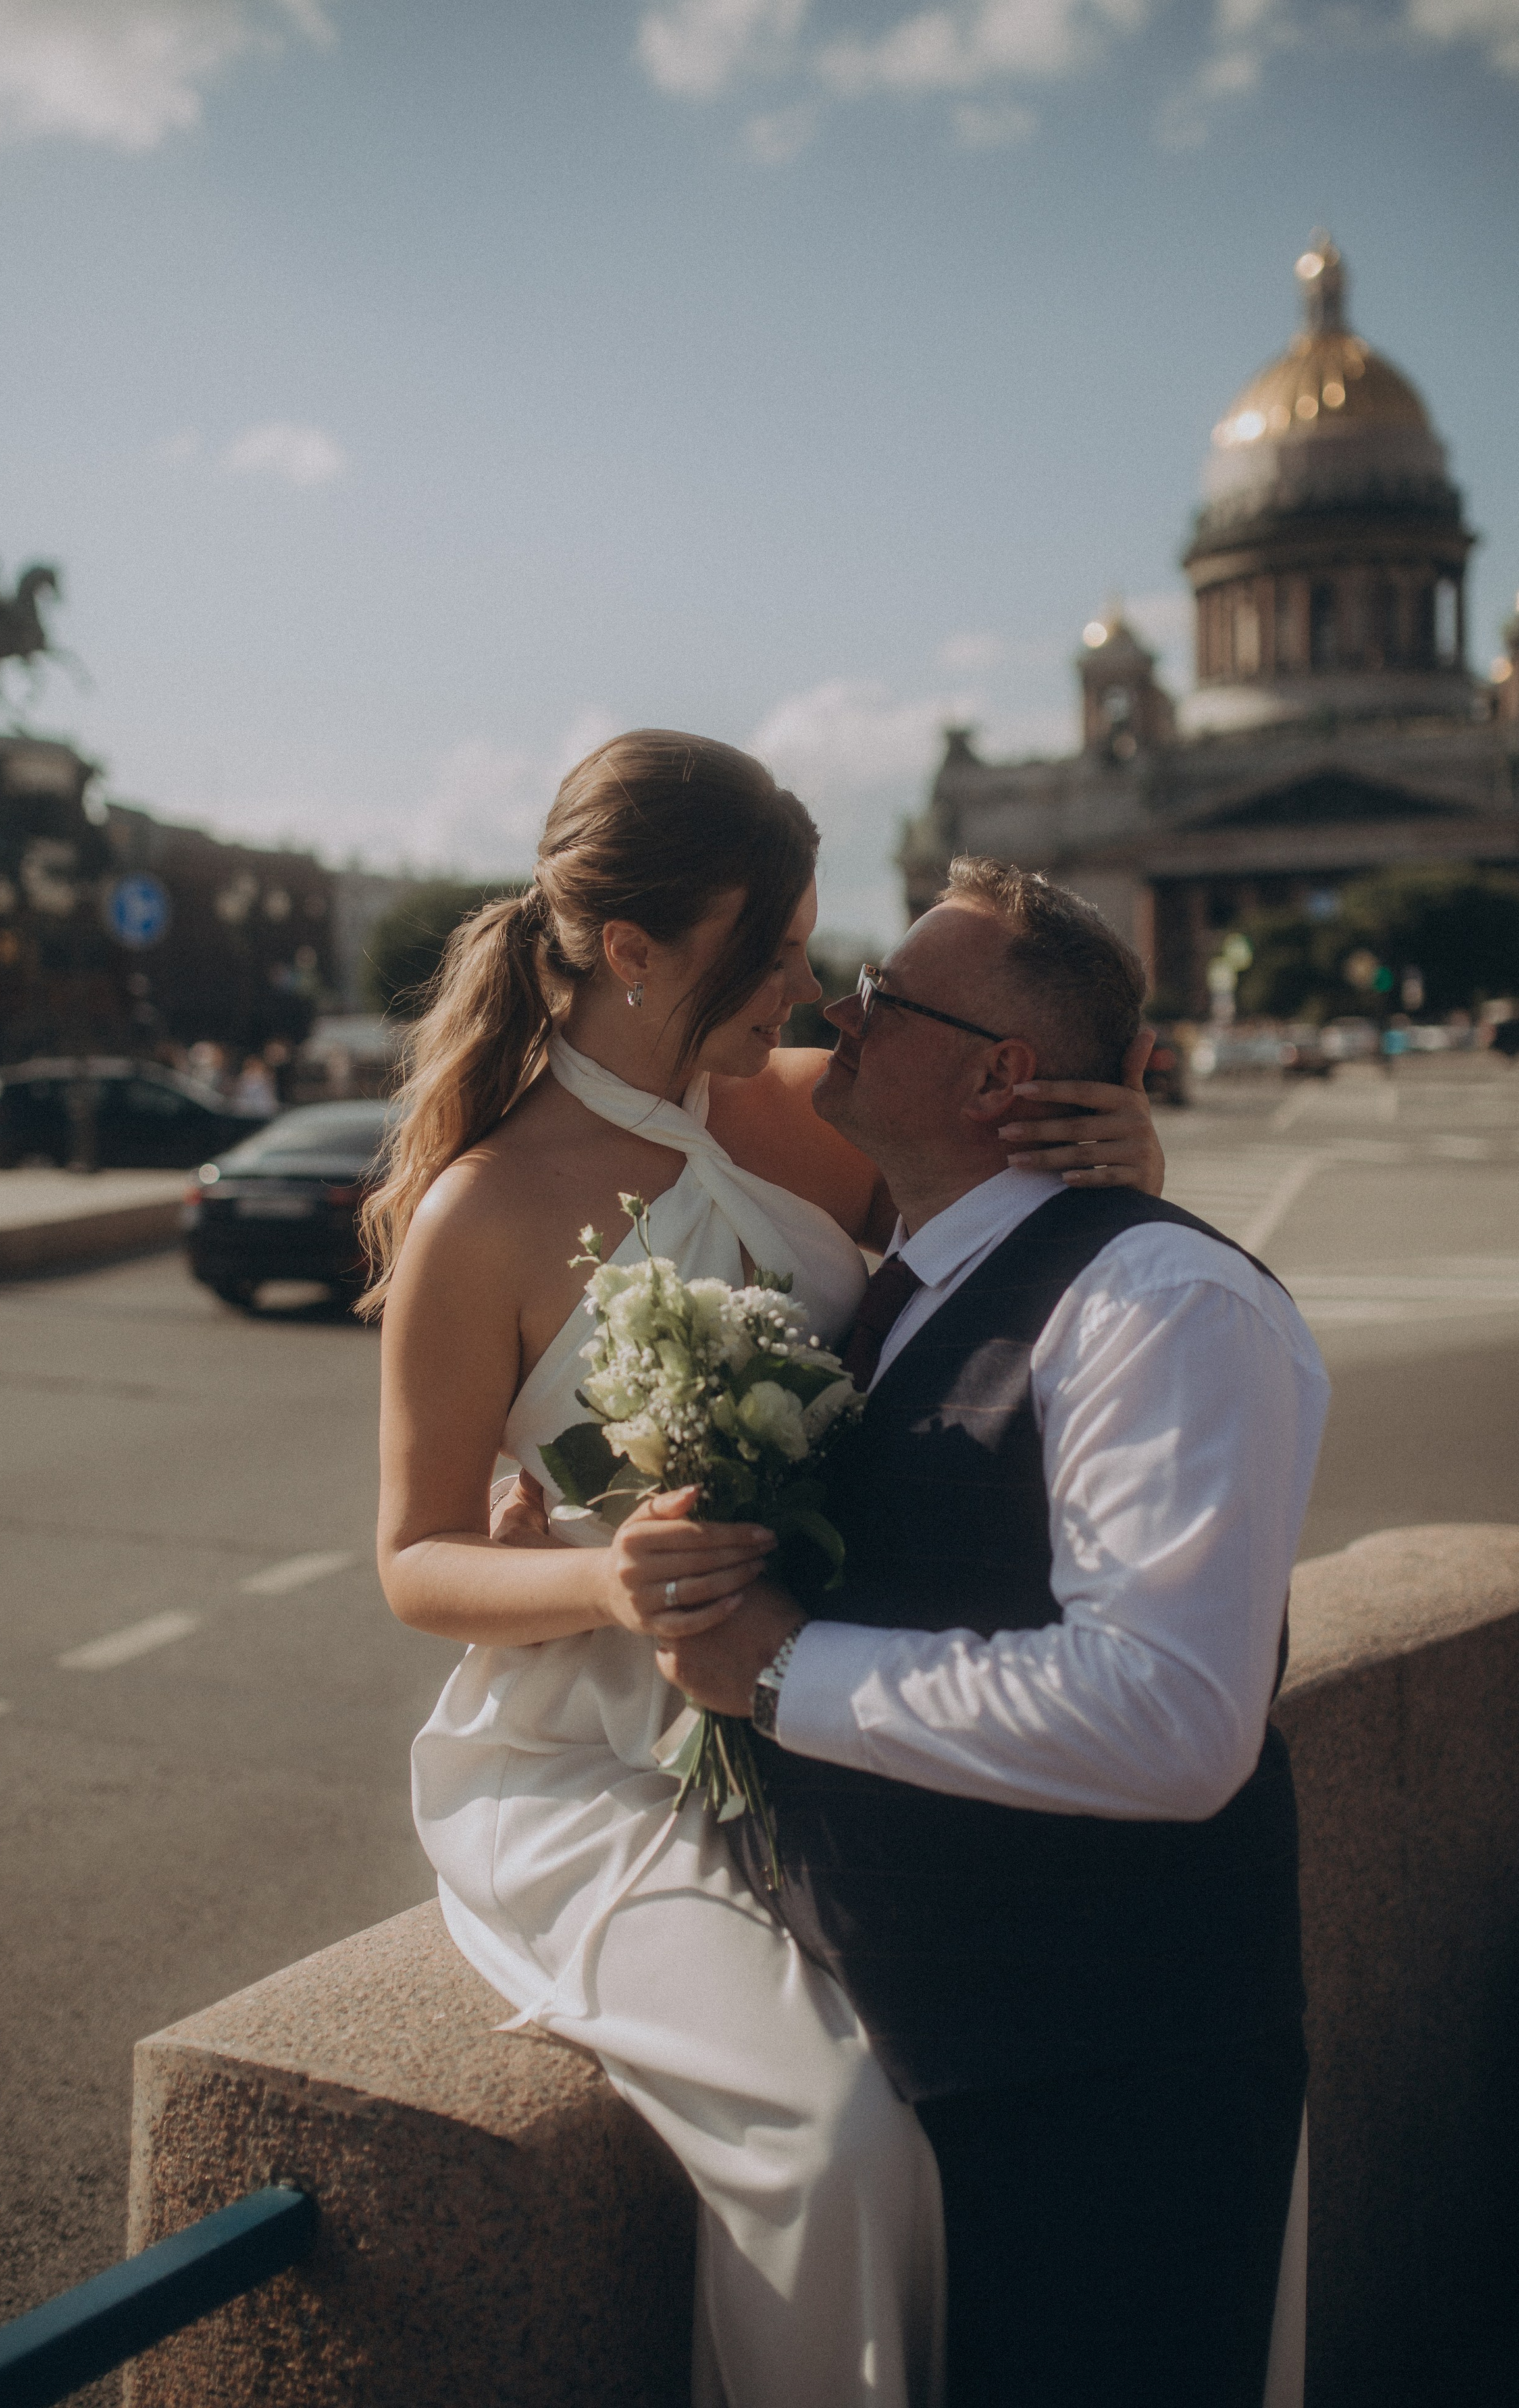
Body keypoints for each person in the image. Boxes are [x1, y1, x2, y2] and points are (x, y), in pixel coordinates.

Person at [367, 735, 1166, 2408]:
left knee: (1001, 2074)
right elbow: (416, 1559)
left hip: (831, 1713)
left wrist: (1119, 1170)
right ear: (634, 949)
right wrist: (607, 1584)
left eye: (808, 945)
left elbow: (995, 1282)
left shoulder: (806, 1115)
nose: (813, 991)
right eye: (772, 951)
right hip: (594, 1759)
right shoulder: (481, 1212)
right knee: (830, 2148)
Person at [659, 856, 1329, 2408]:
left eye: (883, 999)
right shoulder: (915, 1273)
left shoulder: (1160, 1300)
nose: (840, 1008)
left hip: (1101, 2085)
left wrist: (775, 1666)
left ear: (999, 1073)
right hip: (934, 2048)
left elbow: (1167, 1718)